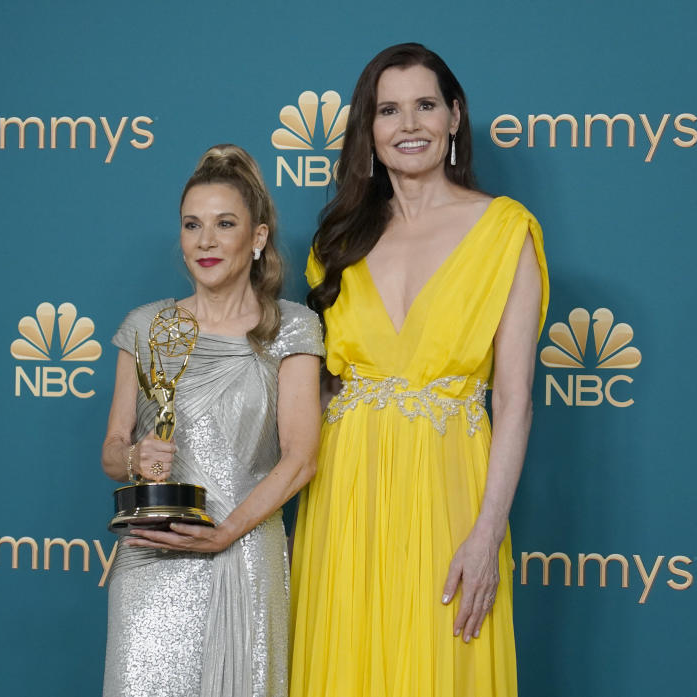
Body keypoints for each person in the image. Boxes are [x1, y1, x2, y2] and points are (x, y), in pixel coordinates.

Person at [289, 44, 549, 697]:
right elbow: (315, 396)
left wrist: (487, 534)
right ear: (368, 130)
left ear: (454, 117)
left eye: (426, 105)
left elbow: (514, 399)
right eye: (389, 109)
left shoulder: (504, 231)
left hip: (449, 496)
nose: (409, 125)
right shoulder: (334, 245)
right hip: (345, 501)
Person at [100, 144, 323, 697]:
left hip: (246, 554)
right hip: (154, 555)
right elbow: (111, 450)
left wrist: (224, 533)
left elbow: (301, 458)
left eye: (225, 224)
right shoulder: (144, 326)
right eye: (192, 225)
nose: (206, 240)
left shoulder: (292, 329)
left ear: (258, 238)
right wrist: (133, 457)